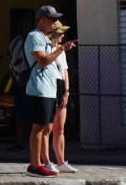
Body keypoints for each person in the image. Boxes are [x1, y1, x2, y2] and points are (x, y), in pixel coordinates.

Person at [24, 5, 76, 178]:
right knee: (39, 127)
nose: (55, 23)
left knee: (45, 126)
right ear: (41, 20)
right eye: (52, 19)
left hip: (48, 90)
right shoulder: (35, 37)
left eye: (56, 19)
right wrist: (61, 49)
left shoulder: (45, 38)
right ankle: (35, 165)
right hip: (39, 89)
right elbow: (43, 61)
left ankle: (39, 164)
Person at [49, 24, 77, 174]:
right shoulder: (47, 48)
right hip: (48, 86)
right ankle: (45, 161)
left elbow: (64, 71)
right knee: (46, 128)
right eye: (60, 33)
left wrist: (66, 91)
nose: (63, 36)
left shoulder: (62, 51)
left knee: (60, 128)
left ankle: (61, 162)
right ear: (52, 33)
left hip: (59, 86)